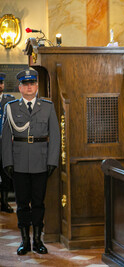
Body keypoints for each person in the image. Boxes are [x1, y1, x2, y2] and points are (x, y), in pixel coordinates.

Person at [2, 69, 60, 255]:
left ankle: (37, 240)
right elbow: (5, 138)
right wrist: (7, 162)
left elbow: (56, 136)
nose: (29, 87)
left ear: (36, 86)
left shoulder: (48, 107)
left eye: (32, 84)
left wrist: (52, 160)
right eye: (25, 84)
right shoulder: (10, 108)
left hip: (41, 162)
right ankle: (24, 240)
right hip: (18, 163)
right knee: (21, 204)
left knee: (38, 203)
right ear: (20, 87)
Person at [0, 72, 15, 213]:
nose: (0, 85)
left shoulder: (9, 101)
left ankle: (4, 203)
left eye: (1, 83)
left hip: (4, 143)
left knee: (5, 172)